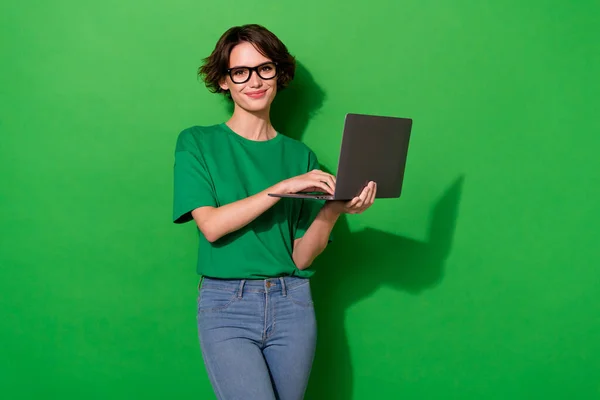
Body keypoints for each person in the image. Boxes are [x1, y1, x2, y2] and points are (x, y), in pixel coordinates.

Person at [172, 24, 376, 400]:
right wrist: (279, 189)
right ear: (223, 81)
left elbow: (300, 256)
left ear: (279, 75)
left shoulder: (300, 157)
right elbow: (212, 227)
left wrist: (333, 211)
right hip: (226, 306)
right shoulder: (197, 142)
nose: (254, 81)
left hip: (293, 303)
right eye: (240, 72)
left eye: (265, 69)